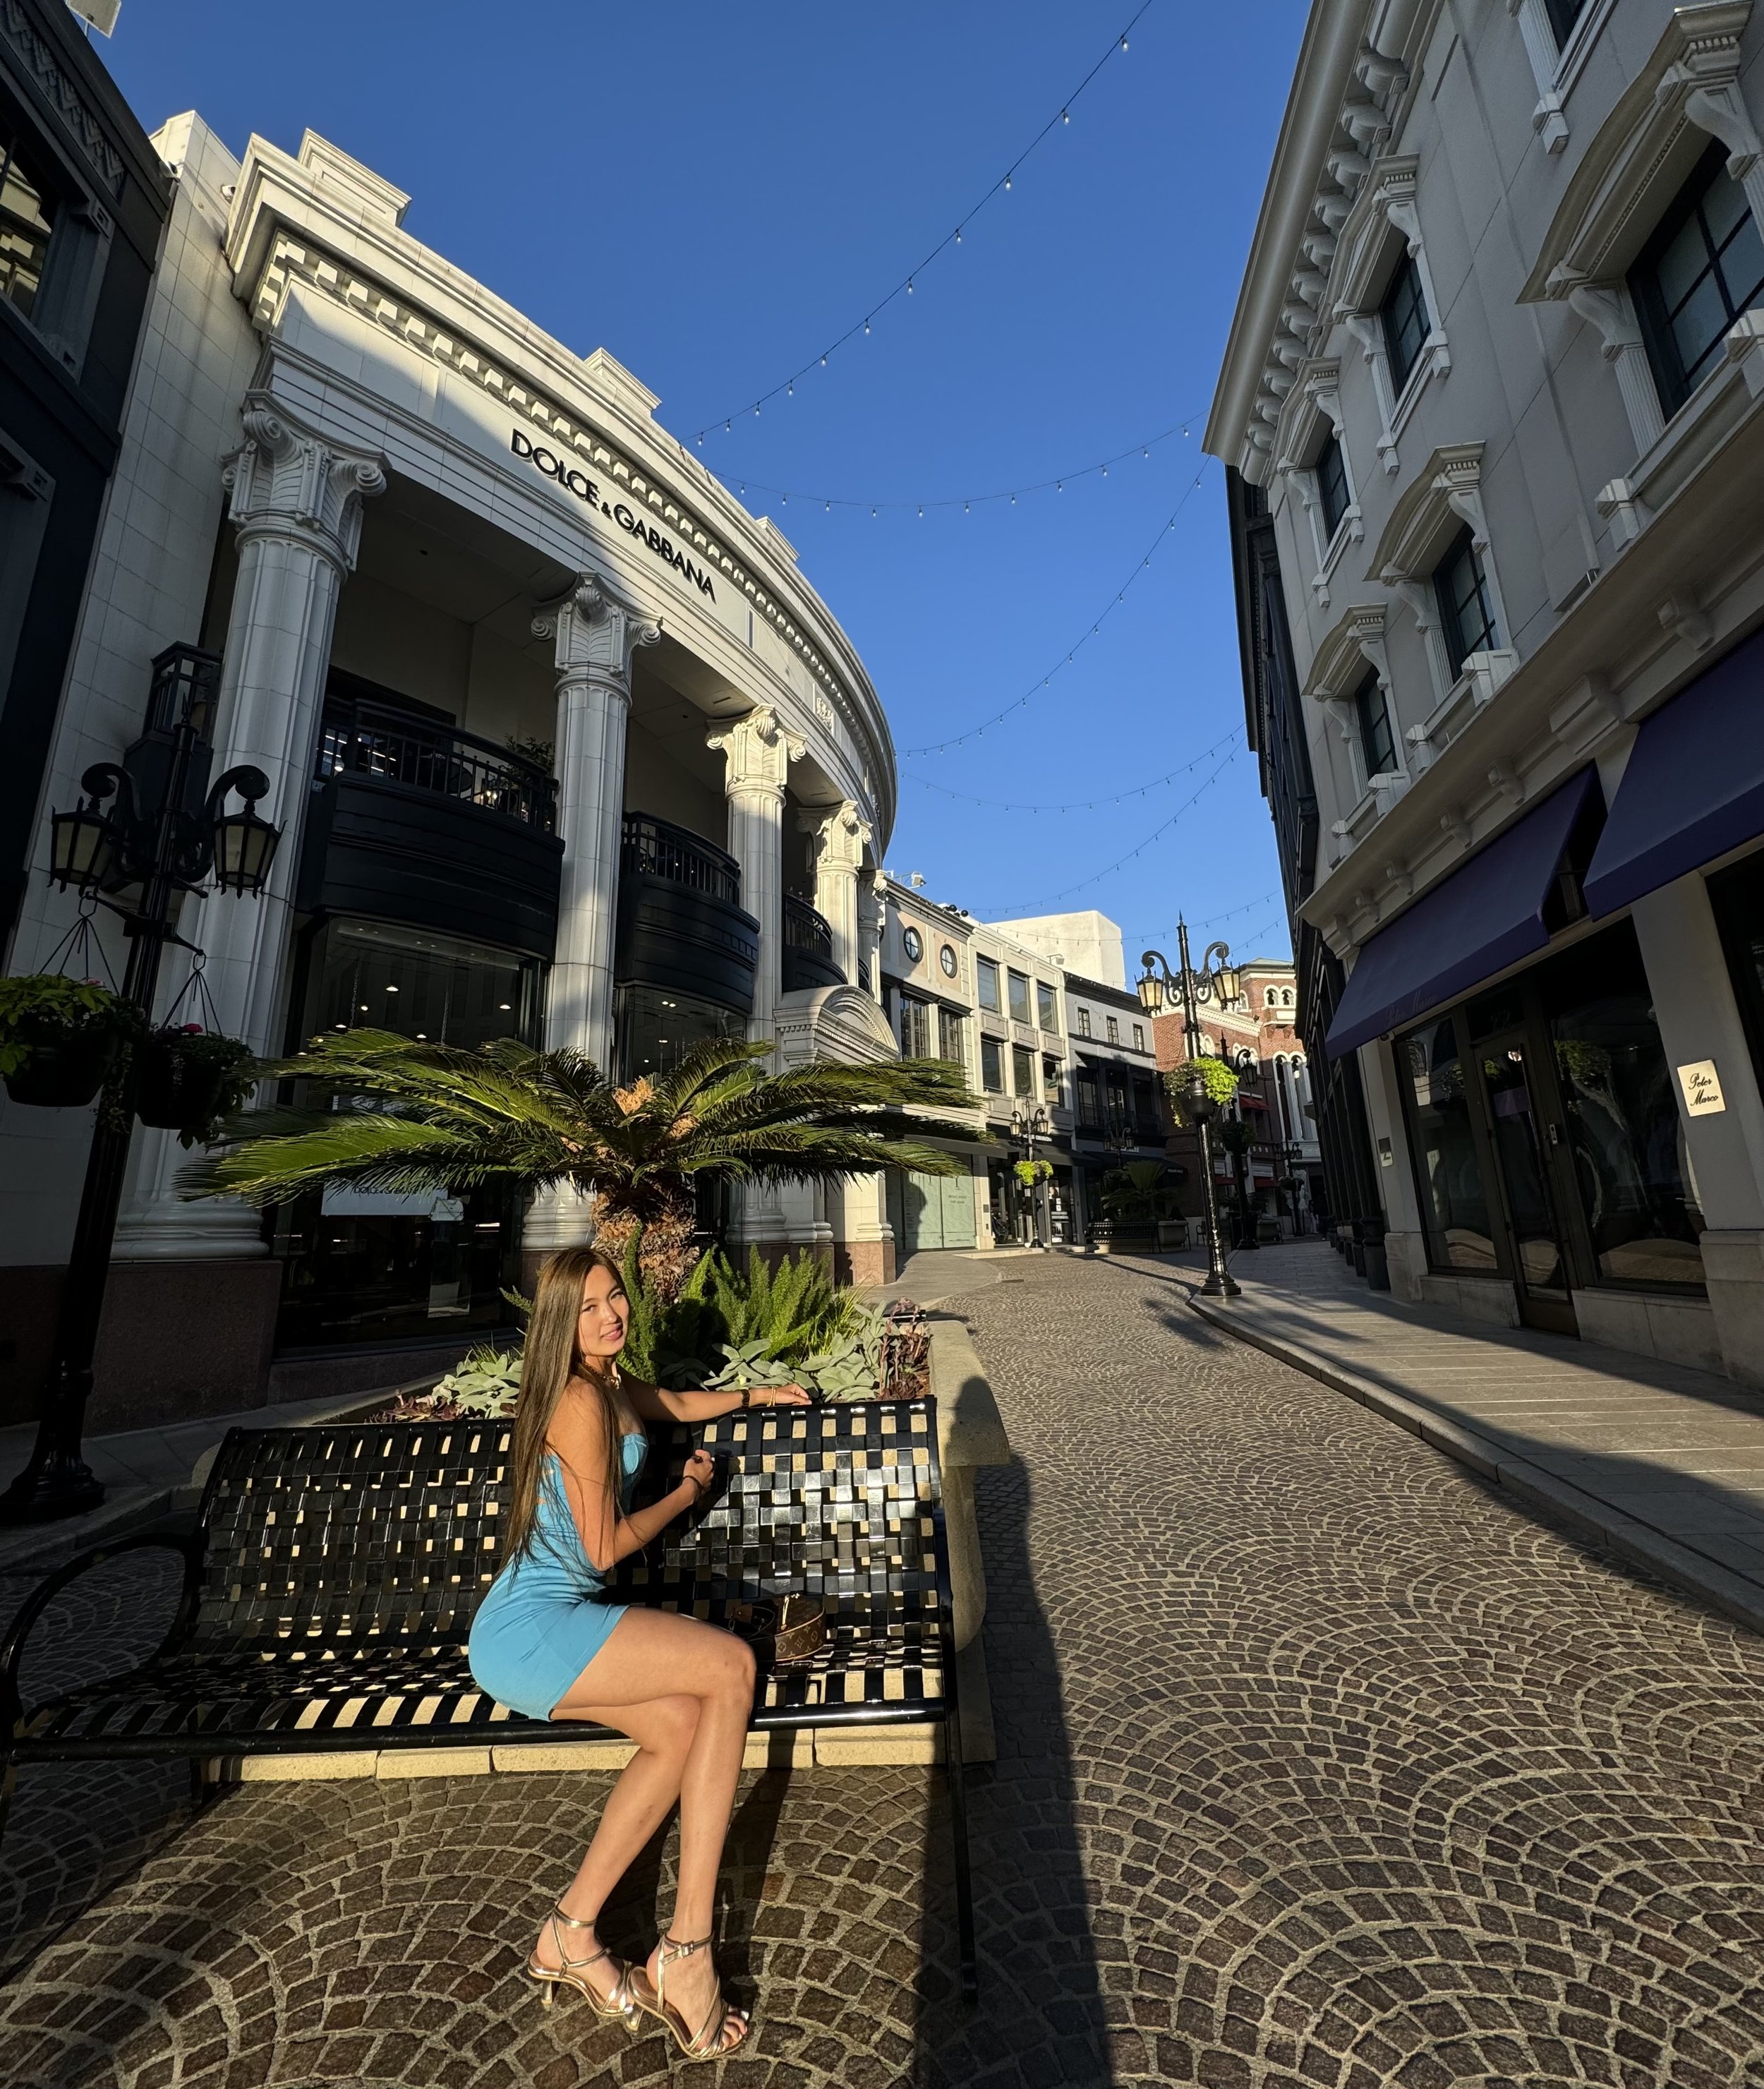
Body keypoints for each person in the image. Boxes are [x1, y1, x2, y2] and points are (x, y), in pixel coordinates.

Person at [467, 1244, 811, 2059]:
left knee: (680, 1728)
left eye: (615, 1296)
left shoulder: (610, 1383)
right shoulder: (577, 1400)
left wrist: (757, 1390)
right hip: (532, 1622)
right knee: (731, 1666)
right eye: (588, 1306)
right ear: (559, 1320)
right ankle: (687, 1951)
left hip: (547, 1617)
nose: (610, 1314)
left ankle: (570, 1931)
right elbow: (597, 1552)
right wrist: (687, 1494)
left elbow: (675, 1402)